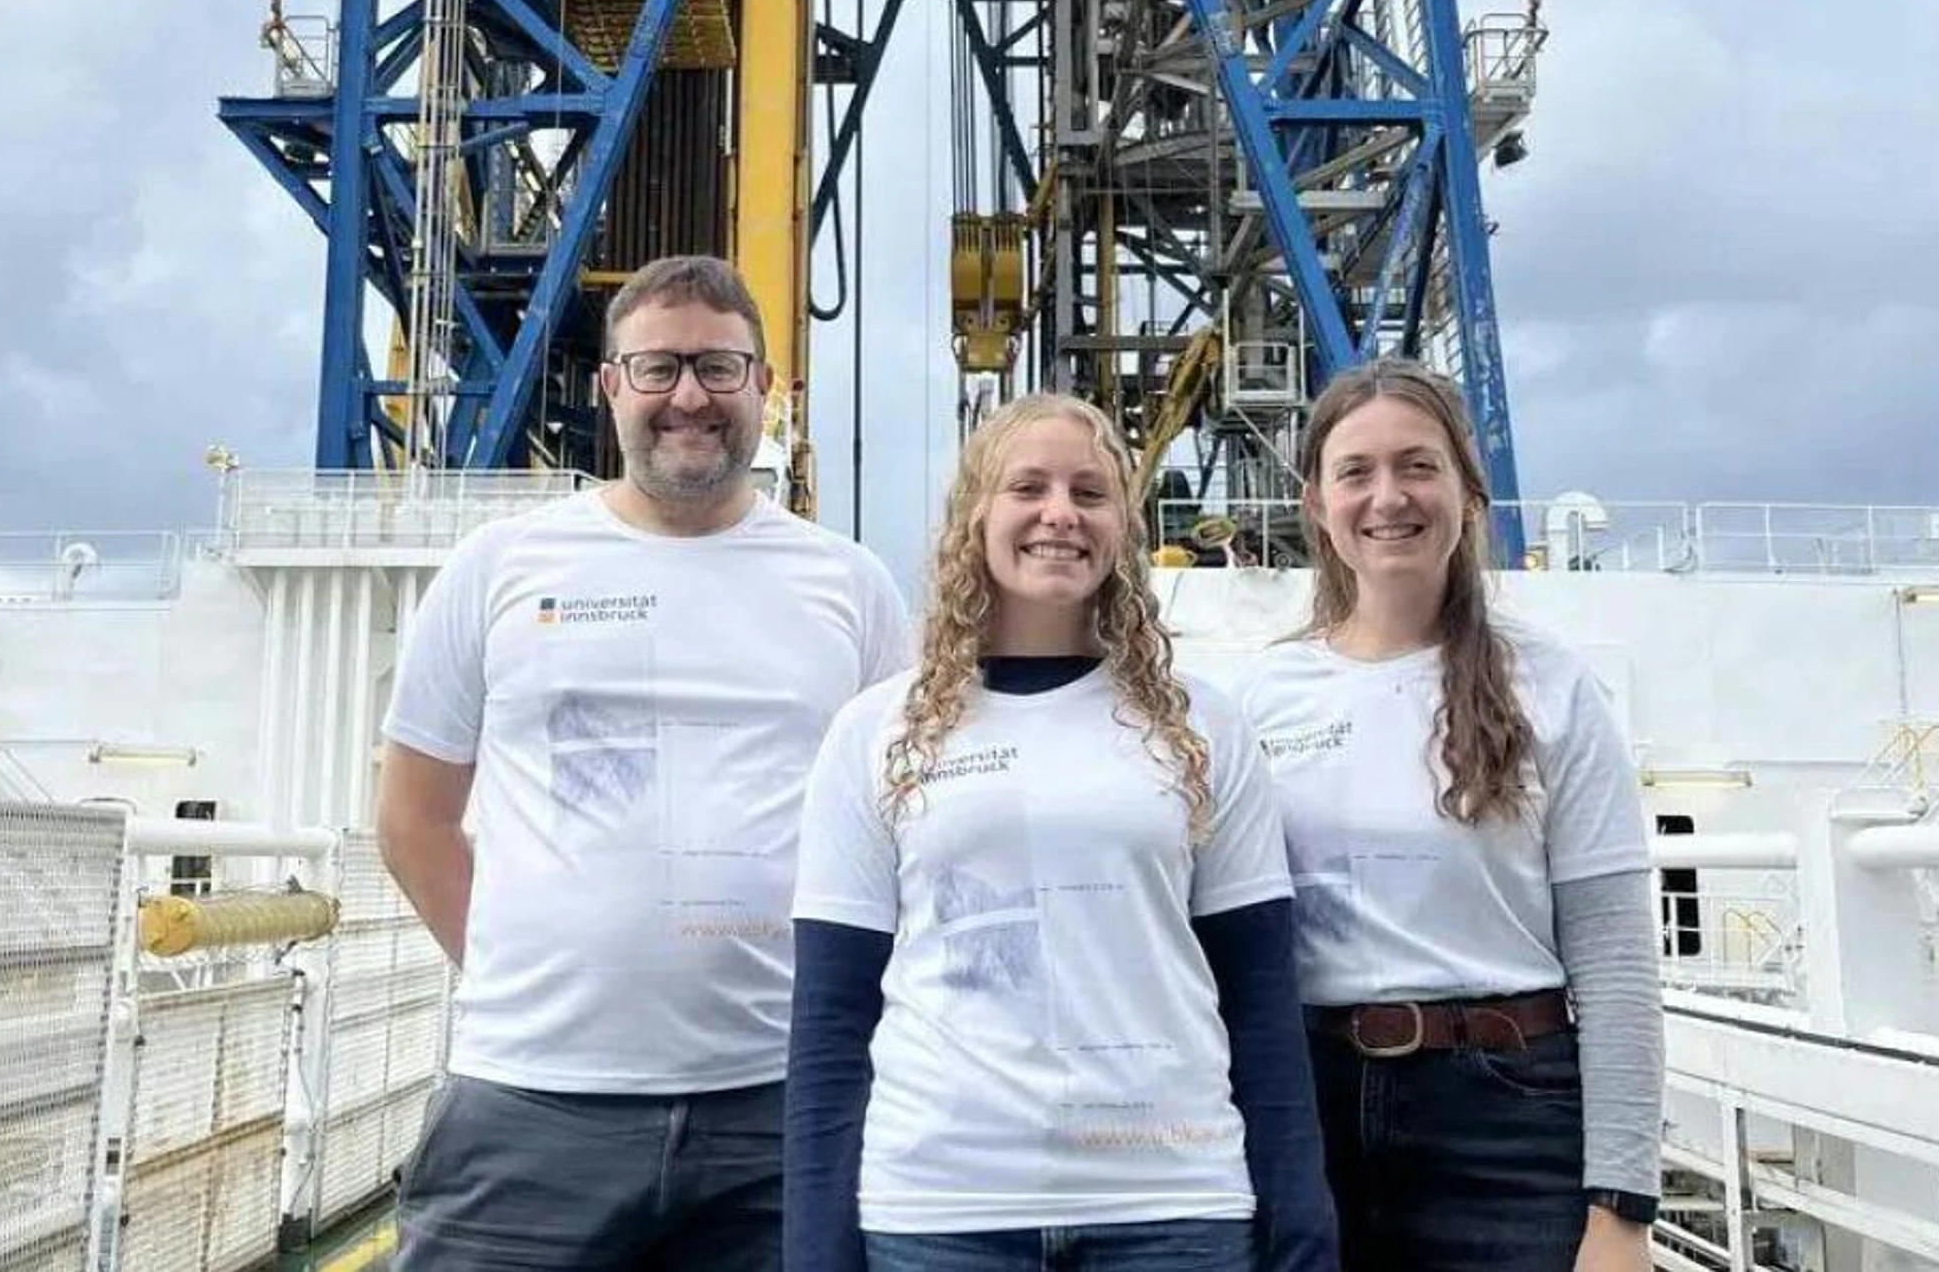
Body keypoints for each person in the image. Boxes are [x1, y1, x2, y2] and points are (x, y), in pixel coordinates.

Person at [377, 255, 913, 1272]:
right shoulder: (500, 567)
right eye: (657, 366)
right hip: (529, 1104)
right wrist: (526, 976)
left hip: (778, 1106)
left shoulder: (850, 586)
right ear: (609, 385)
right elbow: (412, 819)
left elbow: (898, 829)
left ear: (765, 385)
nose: (688, 396)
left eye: (719, 366)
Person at [786, 392, 1336, 1272]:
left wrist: (1301, 1222)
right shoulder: (873, 732)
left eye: (1090, 492)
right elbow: (830, 1019)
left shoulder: (1205, 726)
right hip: (941, 1213)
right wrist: (815, 1247)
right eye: (1027, 487)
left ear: (1124, 520)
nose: (1059, 514)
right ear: (975, 514)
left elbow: (1262, 1001)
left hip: (1172, 1207)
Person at [1235, 360, 1664, 1272]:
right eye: (1356, 471)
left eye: (1417, 465)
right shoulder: (1263, 696)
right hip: (1312, 1113)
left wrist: (1622, 1210)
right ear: (1316, 502)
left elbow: (1617, 959)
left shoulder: (1550, 684)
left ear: (1468, 489)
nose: (1388, 496)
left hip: (1508, 1119)